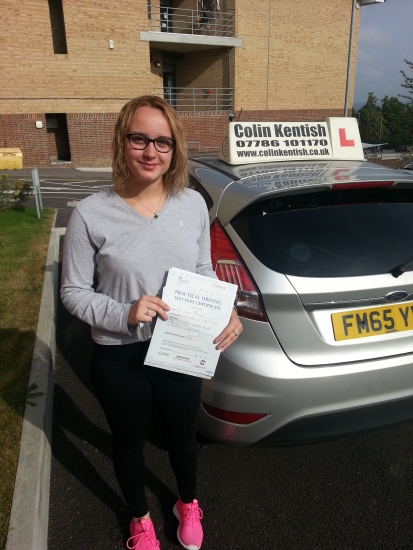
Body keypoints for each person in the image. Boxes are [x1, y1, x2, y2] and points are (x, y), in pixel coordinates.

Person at [60, 95, 242, 550]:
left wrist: (226, 308)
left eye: (163, 142)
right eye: (139, 138)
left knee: (183, 437)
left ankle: (188, 502)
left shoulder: (193, 206)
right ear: (122, 142)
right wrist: (123, 312)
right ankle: (140, 517)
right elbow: (73, 292)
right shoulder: (90, 214)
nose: (151, 152)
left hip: (180, 345)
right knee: (128, 443)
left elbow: (203, 270)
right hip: (119, 353)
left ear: (175, 149)